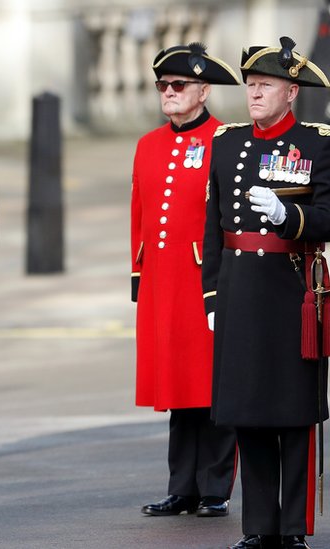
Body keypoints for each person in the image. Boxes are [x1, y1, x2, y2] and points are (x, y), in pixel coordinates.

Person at [203, 36, 330, 549]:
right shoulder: (228, 141)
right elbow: (211, 225)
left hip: (289, 290)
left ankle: (294, 528)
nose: (253, 94)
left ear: (291, 92)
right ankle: (258, 527)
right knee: (247, 410)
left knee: (292, 413)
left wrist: (288, 216)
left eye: (264, 86)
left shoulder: (318, 142)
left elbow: (326, 216)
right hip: (238, 291)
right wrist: (212, 294)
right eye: (251, 86)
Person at [131, 43, 240, 519]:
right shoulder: (147, 144)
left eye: (178, 86)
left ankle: (215, 487)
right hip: (163, 281)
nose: (169, 94)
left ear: (203, 91)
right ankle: (182, 487)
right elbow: (139, 215)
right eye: (163, 86)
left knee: (212, 384)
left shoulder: (225, 139)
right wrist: (138, 273)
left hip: (205, 280)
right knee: (177, 386)